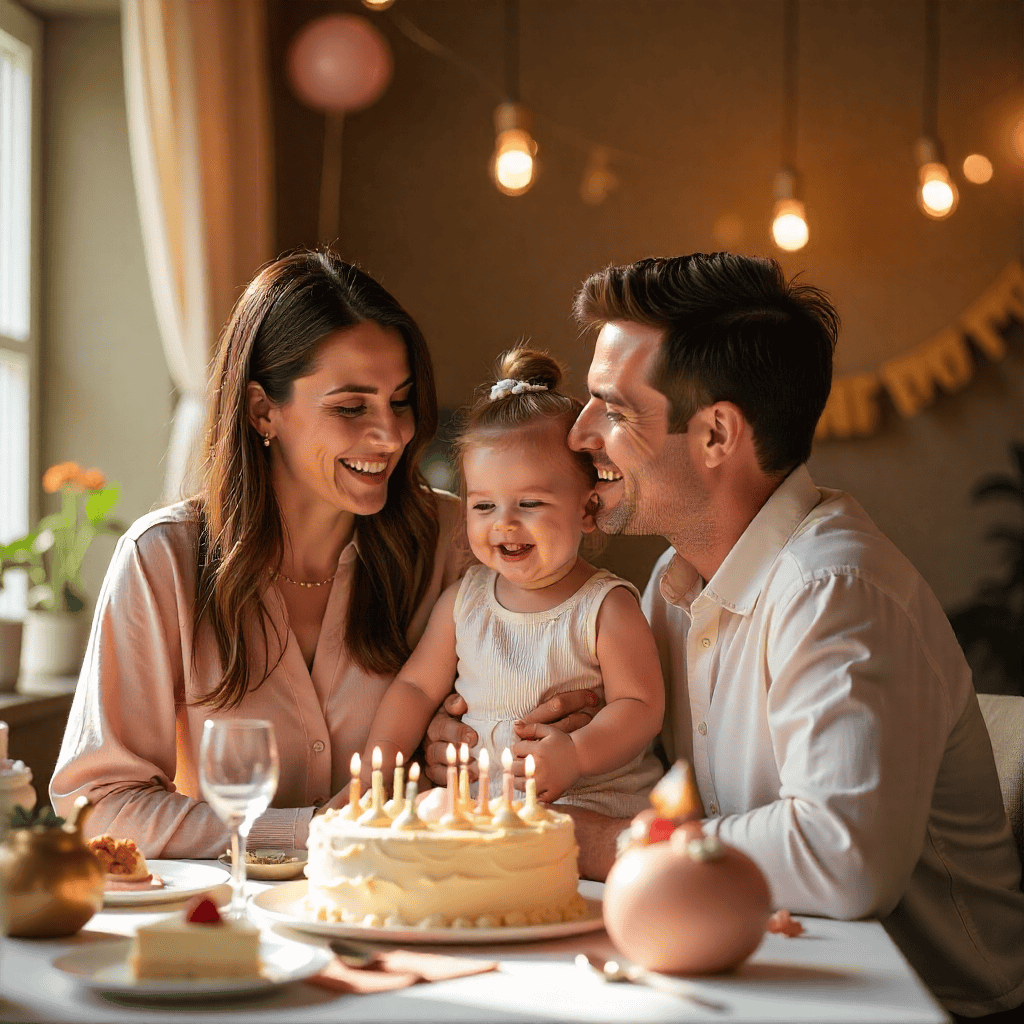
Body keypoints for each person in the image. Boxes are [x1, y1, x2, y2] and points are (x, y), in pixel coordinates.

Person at [428, 253, 1024, 1020]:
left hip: (918, 1003)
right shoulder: (674, 586)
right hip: (759, 970)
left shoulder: (834, 592)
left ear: (715, 434)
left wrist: (597, 839)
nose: (578, 434)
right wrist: (500, 730)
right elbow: (657, 771)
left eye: (612, 410)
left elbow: (841, 860)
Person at [50, 250, 471, 858]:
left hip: (412, 908)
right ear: (261, 409)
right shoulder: (161, 560)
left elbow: (508, 714)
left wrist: (461, 743)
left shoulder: (456, 537)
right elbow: (101, 805)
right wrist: (311, 833)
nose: (392, 434)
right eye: (351, 407)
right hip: (232, 928)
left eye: (400, 400)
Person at [360, 348, 664, 814]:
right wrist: (374, 776)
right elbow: (416, 689)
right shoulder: (464, 602)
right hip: (489, 809)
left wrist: (578, 754)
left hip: (587, 802)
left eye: (530, 504)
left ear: (586, 509)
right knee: (427, 814)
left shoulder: (605, 607)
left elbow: (640, 707)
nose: (503, 524)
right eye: (483, 506)